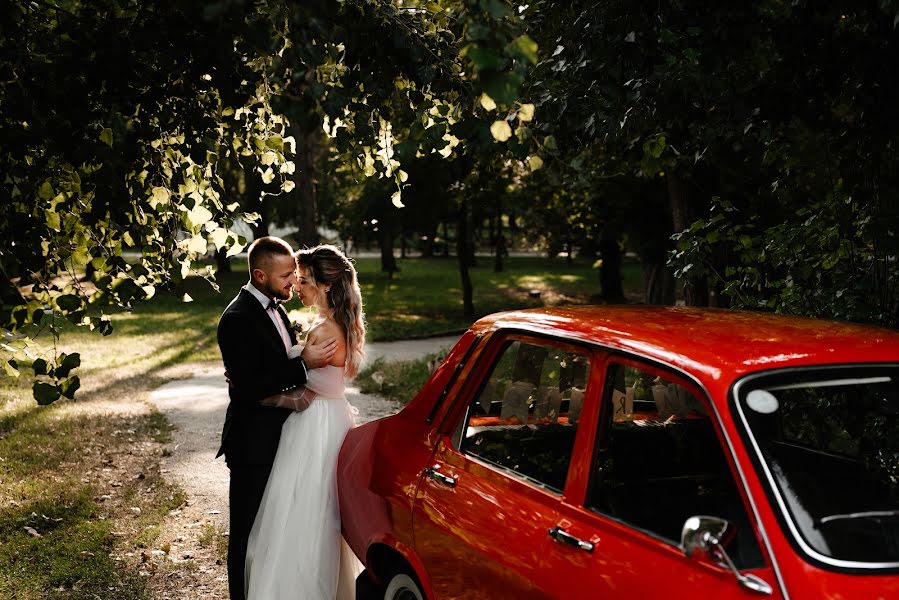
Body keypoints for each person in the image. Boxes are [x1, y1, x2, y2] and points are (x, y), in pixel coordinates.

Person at [216, 236, 338, 600]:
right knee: (246, 534)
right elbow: (251, 385)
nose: (293, 280)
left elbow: (271, 364)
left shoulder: (275, 307)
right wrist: (304, 365)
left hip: (282, 438)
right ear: (260, 275)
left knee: (271, 532)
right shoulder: (236, 319)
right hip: (253, 444)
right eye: (287, 275)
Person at [244, 244, 366, 599]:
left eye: (305, 280)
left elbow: (300, 388)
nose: (298, 286)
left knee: (302, 514)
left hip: (315, 428)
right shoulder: (334, 324)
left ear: (326, 286)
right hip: (330, 418)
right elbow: (312, 388)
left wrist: (257, 389)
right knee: (316, 512)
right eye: (296, 278)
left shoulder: (325, 333)